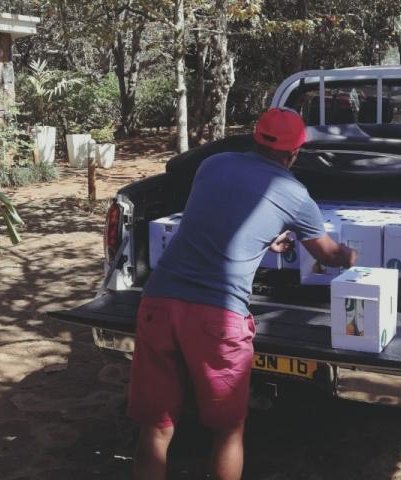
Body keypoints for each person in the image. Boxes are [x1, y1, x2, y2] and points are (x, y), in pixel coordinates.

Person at [127, 107, 357, 480]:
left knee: (156, 426)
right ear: (294, 152)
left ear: (255, 137)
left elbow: (219, 219)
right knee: (228, 429)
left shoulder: (213, 165)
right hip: (217, 317)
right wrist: (351, 255)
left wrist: (266, 240)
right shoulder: (295, 195)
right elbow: (327, 255)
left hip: (159, 303)